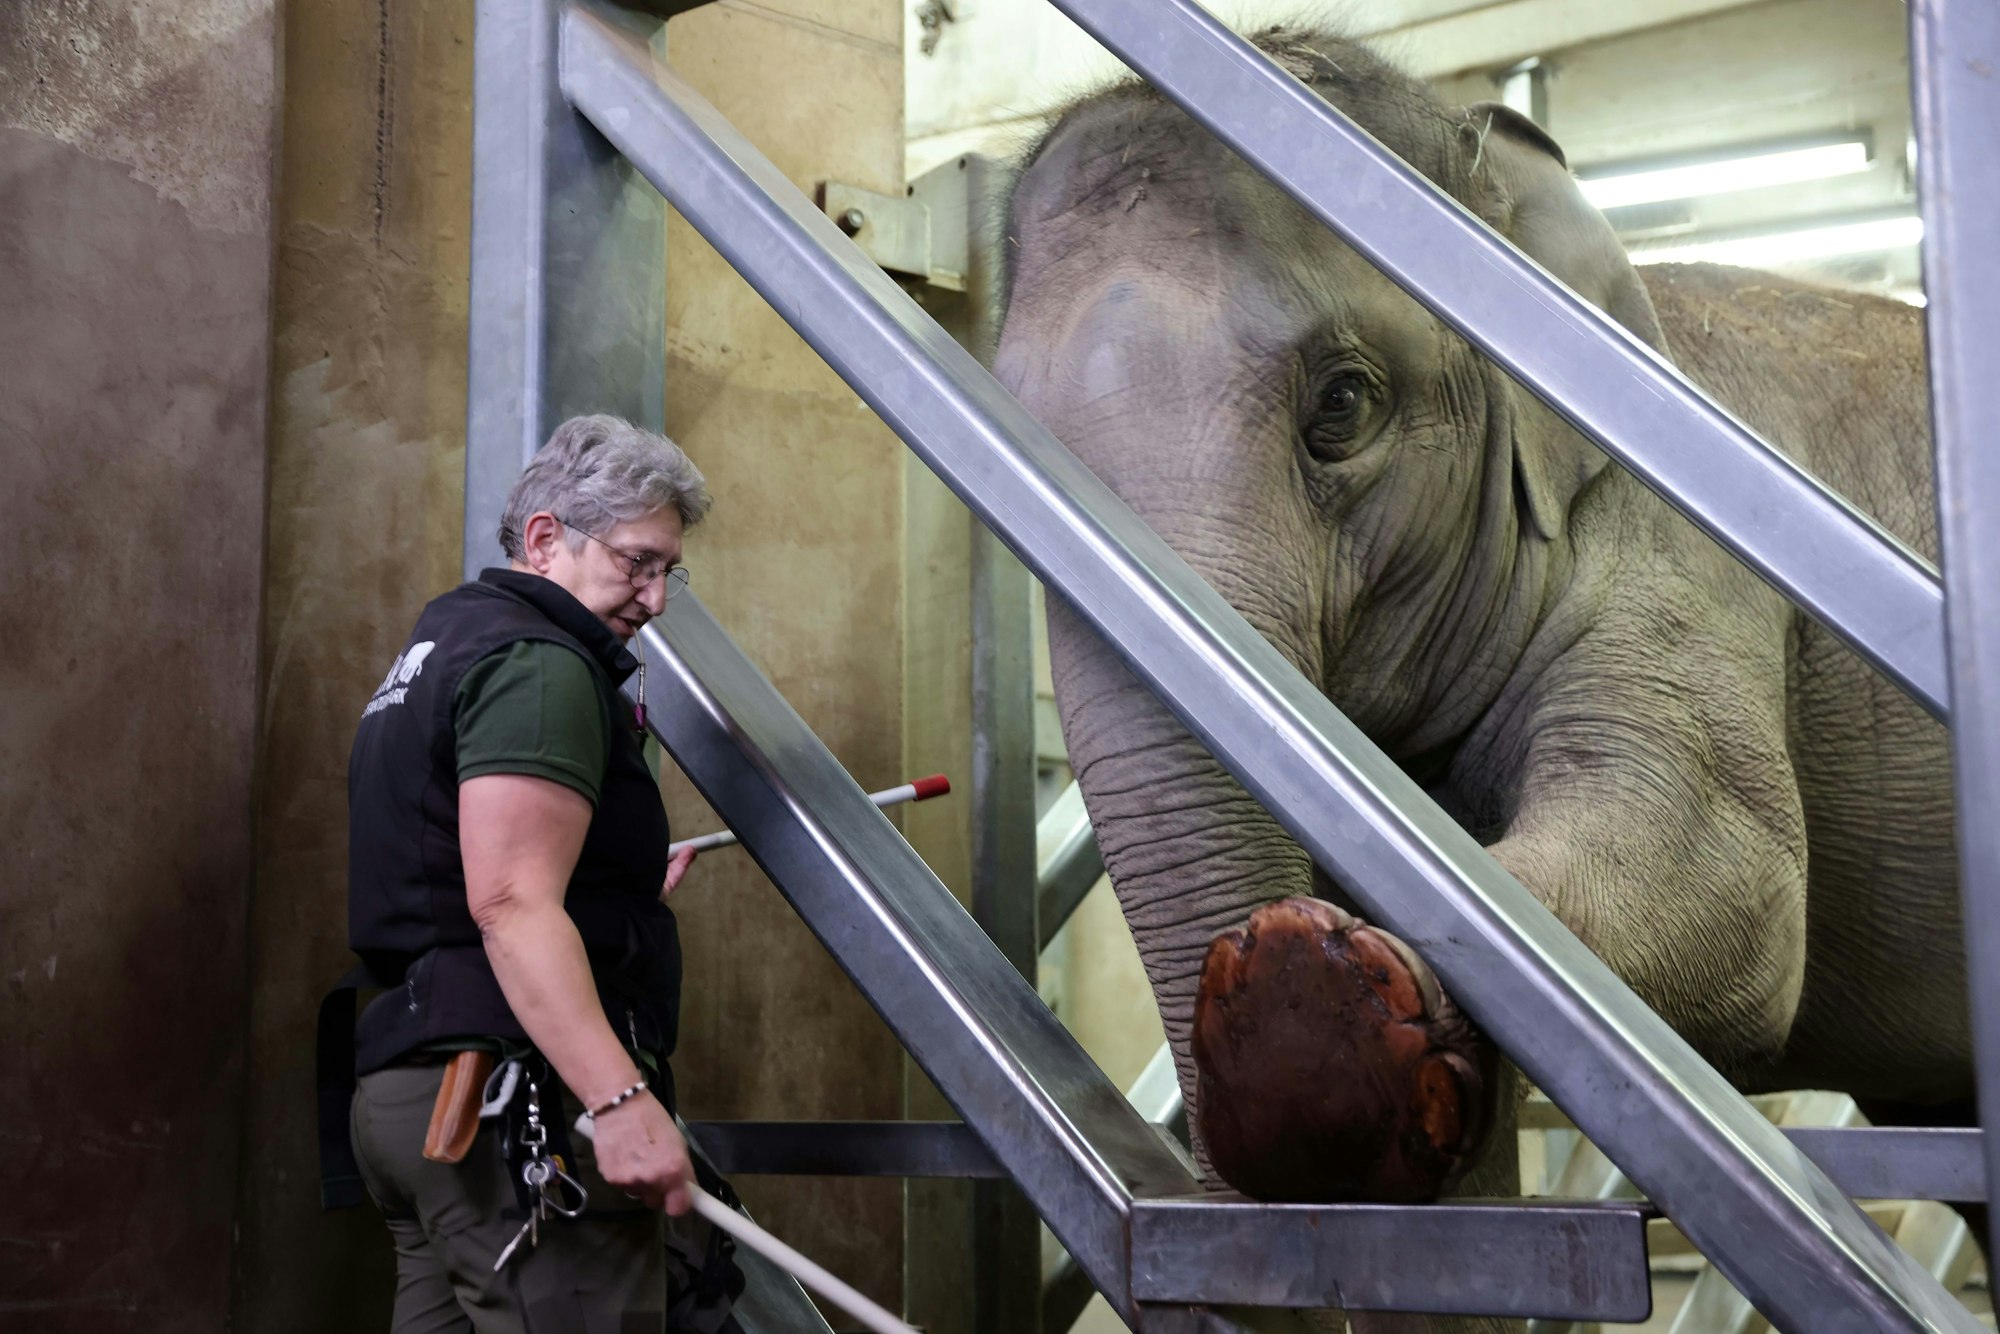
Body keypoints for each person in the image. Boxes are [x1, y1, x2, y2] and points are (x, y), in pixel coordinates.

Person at [334, 414, 713, 1332]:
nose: (655, 600)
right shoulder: (537, 661)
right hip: (512, 1104)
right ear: (547, 538)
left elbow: (454, 875)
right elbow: (507, 900)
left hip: (414, 1092)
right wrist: (618, 1098)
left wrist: (606, 890)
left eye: (670, 571)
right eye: (638, 562)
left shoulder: (438, 645)